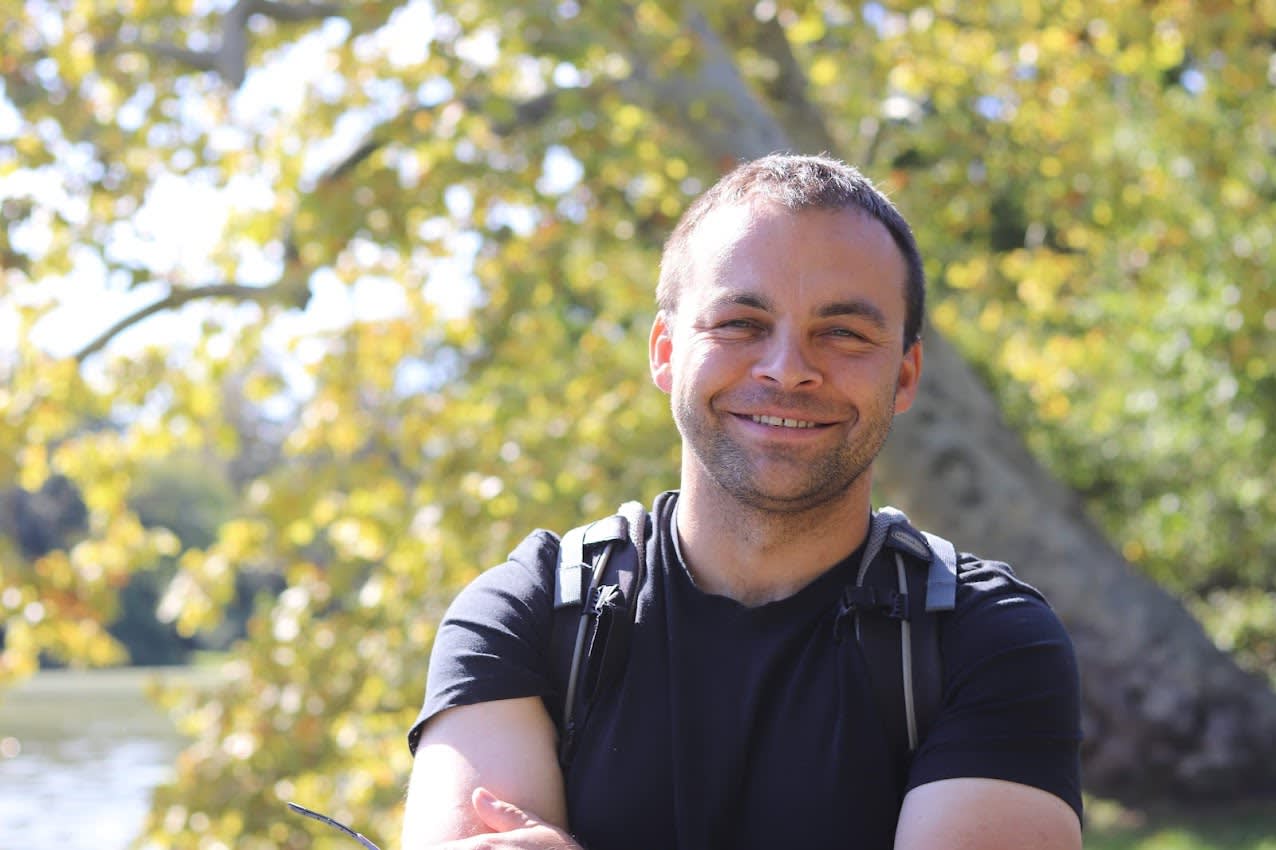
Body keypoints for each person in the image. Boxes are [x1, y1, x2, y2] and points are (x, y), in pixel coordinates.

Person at [399, 153, 1083, 850]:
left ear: (905, 375)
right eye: (740, 323)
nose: (788, 370)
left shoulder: (984, 639)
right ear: (665, 352)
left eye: (843, 333)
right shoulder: (527, 616)